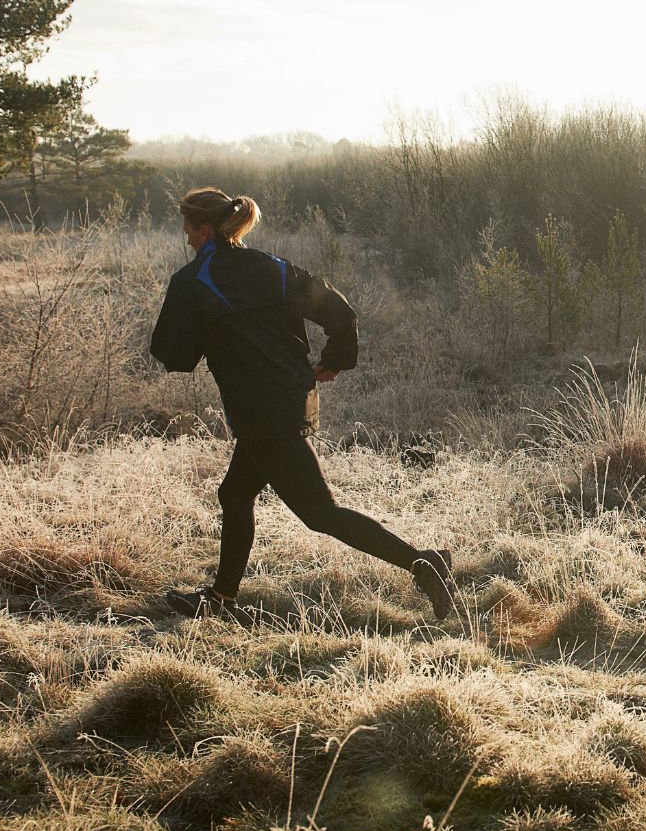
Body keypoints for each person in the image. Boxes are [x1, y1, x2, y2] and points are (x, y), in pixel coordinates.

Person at [148, 187, 454, 621]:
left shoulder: (194, 280)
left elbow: (175, 356)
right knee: (234, 493)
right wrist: (334, 361)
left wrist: (199, 330)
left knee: (318, 512)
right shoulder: (273, 268)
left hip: (261, 412)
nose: (186, 238)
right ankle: (220, 600)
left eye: (188, 230)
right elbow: (341, 312)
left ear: (204, 228)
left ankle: (424, 564)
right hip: (293, 399)